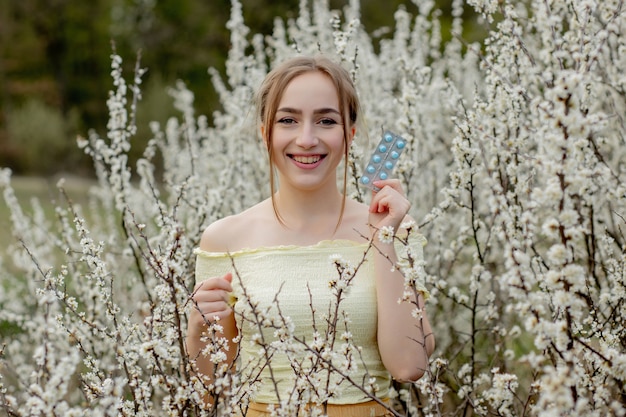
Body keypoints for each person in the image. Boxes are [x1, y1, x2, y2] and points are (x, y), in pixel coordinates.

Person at [186, 55, 435, 416]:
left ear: (348, 135)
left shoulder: (393, 230)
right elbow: (208, 393)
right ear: (265, 134)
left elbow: (408, 366)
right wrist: (197, 328)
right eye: (288, 120)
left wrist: (384, 240)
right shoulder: (225, 238)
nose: (306, 139)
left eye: (326, 121)